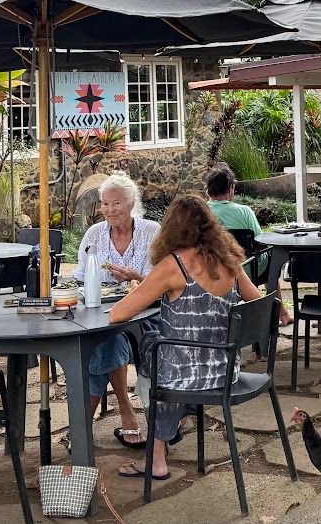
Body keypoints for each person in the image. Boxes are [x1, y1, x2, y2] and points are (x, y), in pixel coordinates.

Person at [108, 195, 261, 481]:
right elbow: (257, 301)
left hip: (184, 373)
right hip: (225, 368)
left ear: (172, 227)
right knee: (157, 349)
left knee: (149, 348)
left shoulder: (173, 264)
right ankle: (166, 435)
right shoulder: (228, 260)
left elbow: (118, 314)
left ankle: (157, 453)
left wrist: (135, 288)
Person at [74, 173, 160, 448]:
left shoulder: (151, 231)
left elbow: (165, 281)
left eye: (117, 204)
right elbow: (79, 277)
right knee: (107, 337)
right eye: (105, 204)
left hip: (146, 315)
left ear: (132, 202)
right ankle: (126, 410)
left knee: (105, 339)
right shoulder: (94, 235)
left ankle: (84, 424)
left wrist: (136, 275)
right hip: (105, 311)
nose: (110, 210)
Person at [205, 164, 291, 324]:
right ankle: (281, 313)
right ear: (230, 189)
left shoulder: (201, 212)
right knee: (270, 258)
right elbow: (260, 242)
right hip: (247, 269)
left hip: (210, 270)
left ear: (208, 191)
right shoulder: (244, 211)